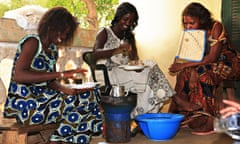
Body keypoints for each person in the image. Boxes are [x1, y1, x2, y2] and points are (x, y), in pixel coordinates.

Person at [3, 7, 102, 144]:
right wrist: (61, 74)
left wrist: (65, 89)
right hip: (27, 105)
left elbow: (50, 81)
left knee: (92, 94)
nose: (61, 38)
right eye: (60, 32)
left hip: (45, 100)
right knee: (86, 105)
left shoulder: (52, 50)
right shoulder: (33, 42)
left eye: (65, 35)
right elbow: (19, 75)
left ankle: (59, 139)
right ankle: (57, 140)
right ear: (50, 26)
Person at [92, 1, 175, 132]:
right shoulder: (105, 32)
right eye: (126, 19)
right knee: (148, 73)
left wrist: (137, 64)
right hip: (108, 73)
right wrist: (117, 50)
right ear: (118, 17)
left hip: (125, 72)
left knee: (149, 74)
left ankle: (143, 119)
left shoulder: (129, 37)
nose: (128, 23)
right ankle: (174, 99)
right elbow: (94, 54)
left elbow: (134, 60)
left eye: (132, 21)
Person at [168, 2, 238, 135]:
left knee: (204, 75)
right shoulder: (192, 34)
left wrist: (184, 66)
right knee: (183, 74)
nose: (188, 27)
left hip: (228, 64)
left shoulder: (216, 27)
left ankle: (208, 121)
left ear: (202, 19)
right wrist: (188, 69)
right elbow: (190, 58)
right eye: (185, 23)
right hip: (205, 65)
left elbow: (212, 58)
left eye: (191, 23)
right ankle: (185, 113)